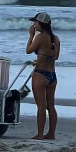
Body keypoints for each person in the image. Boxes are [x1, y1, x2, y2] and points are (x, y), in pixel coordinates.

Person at [26, 11, 60, 140]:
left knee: (41, 106)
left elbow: (28, 50)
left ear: (41, 24)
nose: (34, 25)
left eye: (35, 22)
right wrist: (40, 58)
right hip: (52, 75)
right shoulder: (55, 38)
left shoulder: (40, 37)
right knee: (51, 106)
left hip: (40, 75)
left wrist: (31, 35)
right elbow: (55, 57)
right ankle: (51, 133)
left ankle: (40, 134)